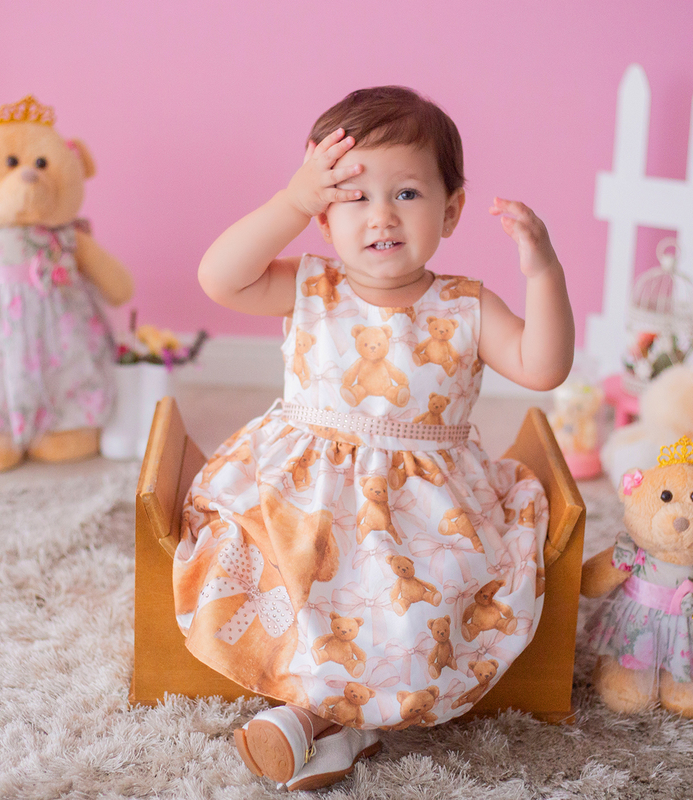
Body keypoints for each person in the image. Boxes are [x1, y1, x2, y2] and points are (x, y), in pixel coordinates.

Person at [173, 86, 575, 790]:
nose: (381, 215)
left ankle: (312, 723)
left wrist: (543, 270)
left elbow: (544, 365)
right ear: (324, 215)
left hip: (422, 514)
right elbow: (218, 276)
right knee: (278, 571)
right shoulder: (307, 287)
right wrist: (289, 201)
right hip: (306, 491)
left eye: (409, 194)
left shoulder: (466, 305)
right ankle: (335, 724)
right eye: (353, 196)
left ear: (450, 210)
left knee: (417, 607)